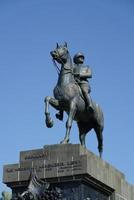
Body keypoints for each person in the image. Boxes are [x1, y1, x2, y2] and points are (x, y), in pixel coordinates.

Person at [56, 52, 94, 121]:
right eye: (80, 57)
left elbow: (89, 74)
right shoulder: (73, 66)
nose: (81, 58)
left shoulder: (86, 67)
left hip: (83, 83)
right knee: (65, 94)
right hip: (74, 83)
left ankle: (90, 105)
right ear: (76, 59)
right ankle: (60, 112)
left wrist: (79, 74)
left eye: (82, 57)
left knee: (85, 91)